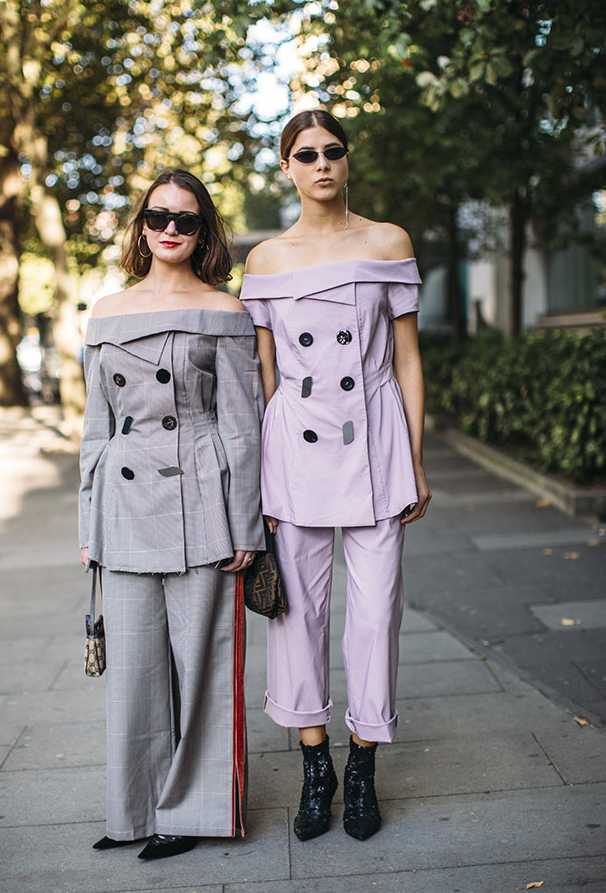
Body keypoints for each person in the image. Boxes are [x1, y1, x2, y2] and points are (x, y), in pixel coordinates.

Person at [240, 110, 431, 843]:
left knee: (377, 613)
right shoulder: (265, 260)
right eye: (305, 154)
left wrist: (412, 458)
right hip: (295, 450)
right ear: (285, 167)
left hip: (376, 445)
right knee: (297, 616)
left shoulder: (388, 242)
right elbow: (265, 376)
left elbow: (408, 360)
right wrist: (259, 478)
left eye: (333, 152)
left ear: (347, 161)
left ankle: (364, 765)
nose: (322, 164)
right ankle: (314, 763)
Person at [79, 169, 265, 860]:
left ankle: (193, 814)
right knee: (134, 673)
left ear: (204, 231)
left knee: (205, 668)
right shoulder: (105, 310)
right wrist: (87, 523)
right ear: (140, 225)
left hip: (203, 504)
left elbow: (244, 426)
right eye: (158, 216)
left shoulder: (226, 311)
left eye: (185, 220)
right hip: (125, 505)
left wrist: (247, 524)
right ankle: (134, 811)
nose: (170, 229)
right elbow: (96, 429)